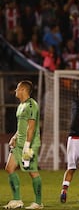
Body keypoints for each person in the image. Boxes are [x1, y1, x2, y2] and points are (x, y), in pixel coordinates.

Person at [3, 80, 43, 209]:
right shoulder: (21, 105)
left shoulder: (32, 105)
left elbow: (31, 128)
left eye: (17, 88)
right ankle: (17, 200)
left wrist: (27, 147)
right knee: (9, 168)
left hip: (29, 145)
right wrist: (14, 137)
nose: (15, 91)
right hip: (18, 143)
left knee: (32, 171)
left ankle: (38, 202)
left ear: (23, 90)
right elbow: (22, 126)